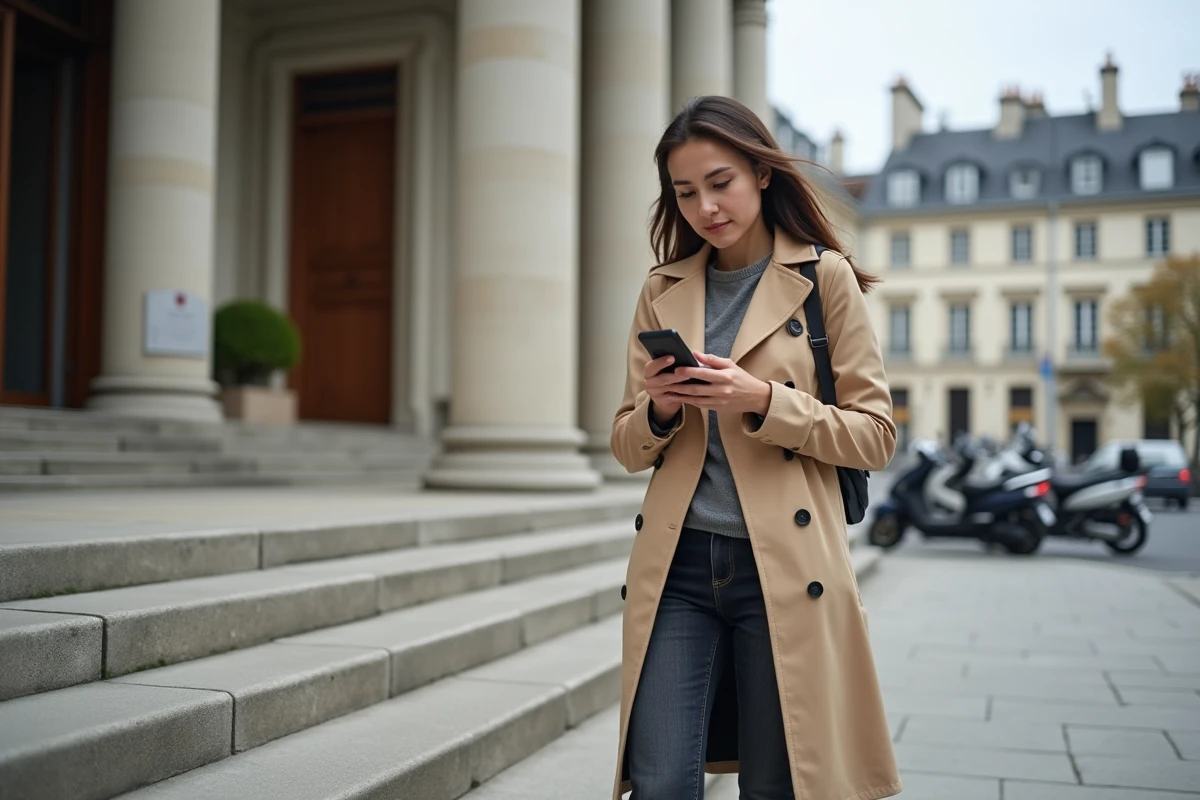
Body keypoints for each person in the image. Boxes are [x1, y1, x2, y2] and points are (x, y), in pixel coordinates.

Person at [609, 96, 902, 800]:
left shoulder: (823, 277)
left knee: (777, 783)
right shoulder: (663, 289)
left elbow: (875, 435)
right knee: (659, 782)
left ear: (762, 174)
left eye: (721, 183)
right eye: (685, 192)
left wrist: (765, 401)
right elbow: (625, 444)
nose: (705, 207)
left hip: (784, 568)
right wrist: (663, 407)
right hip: (678, 567)